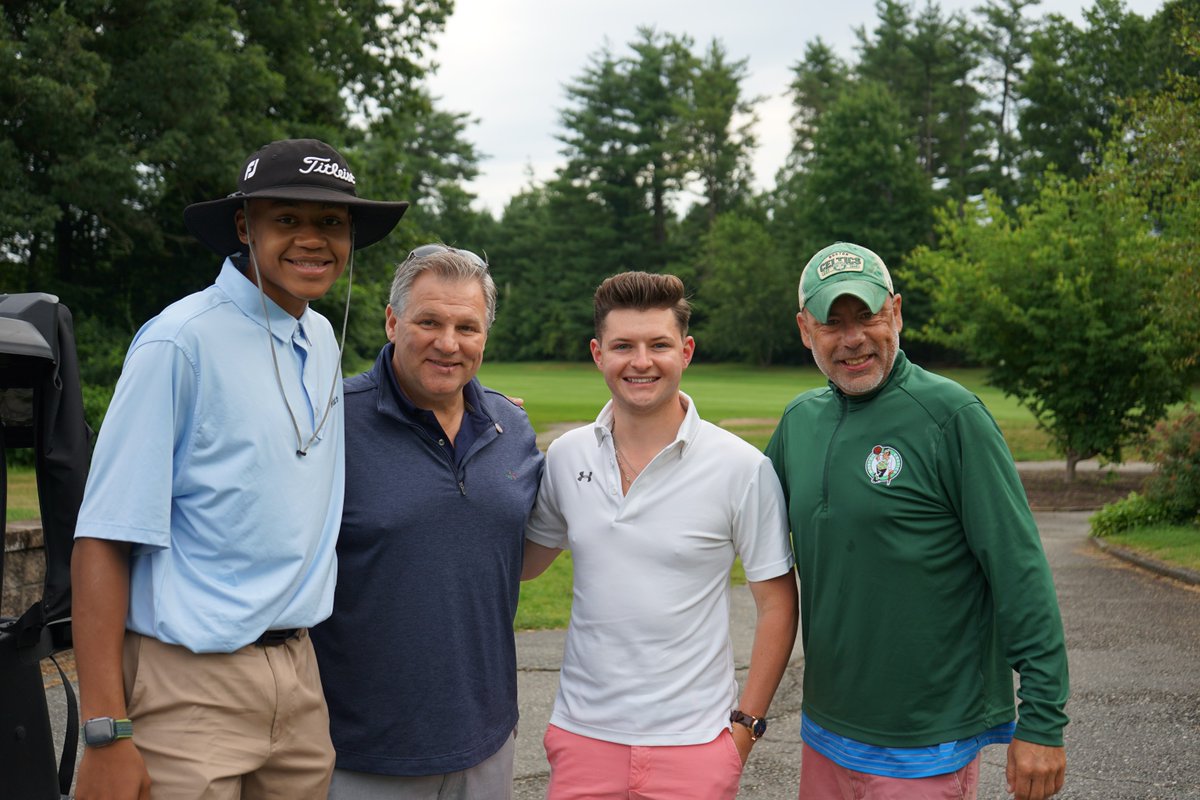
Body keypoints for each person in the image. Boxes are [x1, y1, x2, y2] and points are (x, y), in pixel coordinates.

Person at [70, 138, 409, 799]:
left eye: (330, 222)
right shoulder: (180, 342)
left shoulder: (319, 338)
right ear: (243, 225)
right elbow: (104, 539)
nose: (312, 240)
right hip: (189, 684)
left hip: (300, 676)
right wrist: (105, 731)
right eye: (287, 219)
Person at [765, 242, 1070, 800]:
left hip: (929, 743)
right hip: (826, 733)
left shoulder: (952, 417)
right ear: (805, 329)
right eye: (832, 322)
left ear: (897, 313)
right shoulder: (798, 423)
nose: (852, 338)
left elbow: (1018, 569)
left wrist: (1044, 721)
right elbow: (732, 532)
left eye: (868, 316)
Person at [522, 270, 799, 800]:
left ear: (686, 351)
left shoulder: (741, 467)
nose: (641, 361)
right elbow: (522, 564)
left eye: (659, 345)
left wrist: (745, 729)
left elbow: (778, 605)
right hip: (582, 738)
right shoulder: (566, 457)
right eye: (623, 345)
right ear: (598, 353)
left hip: (695, 746)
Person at [310, 244, 543, 800]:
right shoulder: (330, 423)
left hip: (487, 742)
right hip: (363, 753)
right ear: (392, 321)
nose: (448, 343)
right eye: (429, 321)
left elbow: (531, 548)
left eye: (468, 326)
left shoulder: (512, 426)